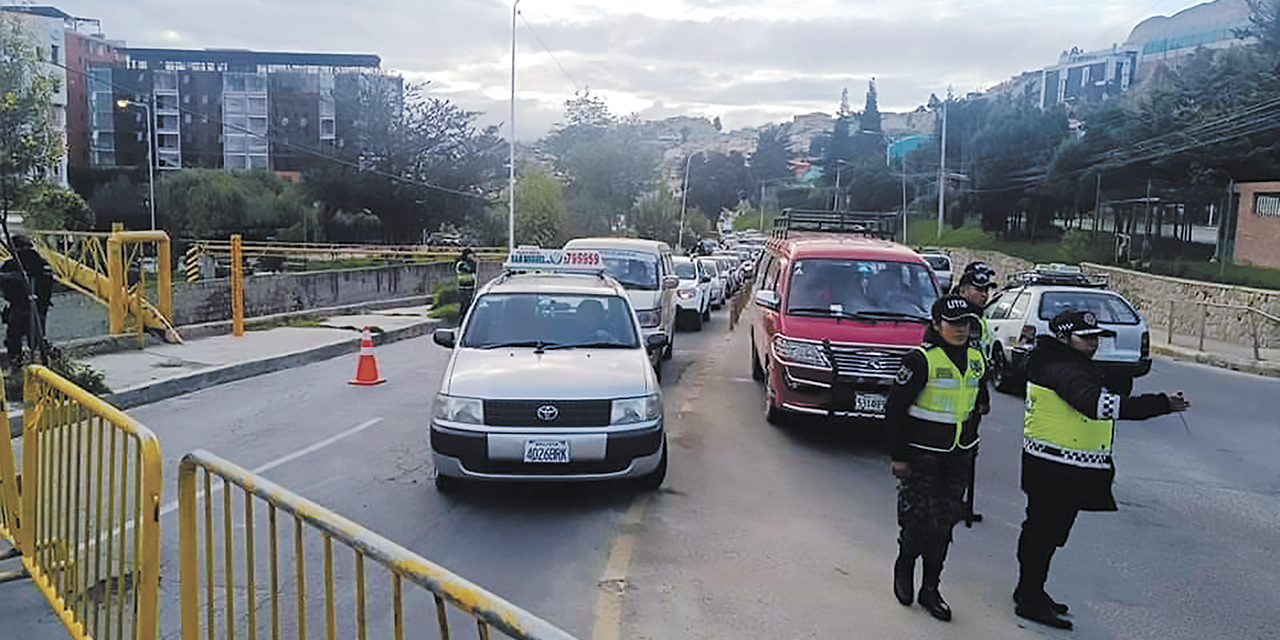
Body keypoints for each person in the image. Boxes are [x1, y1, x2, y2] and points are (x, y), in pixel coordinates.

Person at [1014, 310, 1192, 630]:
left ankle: (1031, 591)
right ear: (1063, 338)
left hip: (1056, 467)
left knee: (1046, 535)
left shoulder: (1065, 364)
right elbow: (1097, 405)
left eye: (1096, 338)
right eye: (1086, 338)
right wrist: (1160, 403)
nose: (1094, 344)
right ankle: (1029, 599)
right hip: (1055, 470)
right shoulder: (1062, 368)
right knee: (1042, 536)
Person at [887, 294, 987, 622]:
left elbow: (978, 400)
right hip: (922, 455)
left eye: (965, 324)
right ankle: (905, 567)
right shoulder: (920, 360)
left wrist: (973, 434)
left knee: (944, 524)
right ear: (936, 324)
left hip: (958, 455)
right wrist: (899, 456)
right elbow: (895, 410)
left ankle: (931, 588)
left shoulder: (976, 358)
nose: (960, 330)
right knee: (918, 521)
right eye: (953, 323)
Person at [951, 263, 1000, 525]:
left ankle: (956, 501)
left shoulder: (976, 315)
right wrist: (982, 397)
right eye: (979, 289)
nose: (984, 294)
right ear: (963, 290)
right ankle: (953, 502)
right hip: (960, 398)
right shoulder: (964, 319)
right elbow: (971, 365)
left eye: (987, 290)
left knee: (966, 449)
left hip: (966, 395)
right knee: (961, 449)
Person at [1, 234, 54, 368]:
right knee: (37, 335)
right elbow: (47, 283)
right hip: (39, 305)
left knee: (14, 336)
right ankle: (44, 360)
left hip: (20, 305)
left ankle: (17, 361)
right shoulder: (42, 263)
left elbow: (4, 284)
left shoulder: (12, 265)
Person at [454, 248, 477, 319]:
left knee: (469, 304)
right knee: (464, 304)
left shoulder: (467, 263)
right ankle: (463, 318)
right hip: (463, 287)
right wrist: (473, 262)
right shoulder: (461, 263)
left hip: (469, 287)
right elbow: (469, 269)